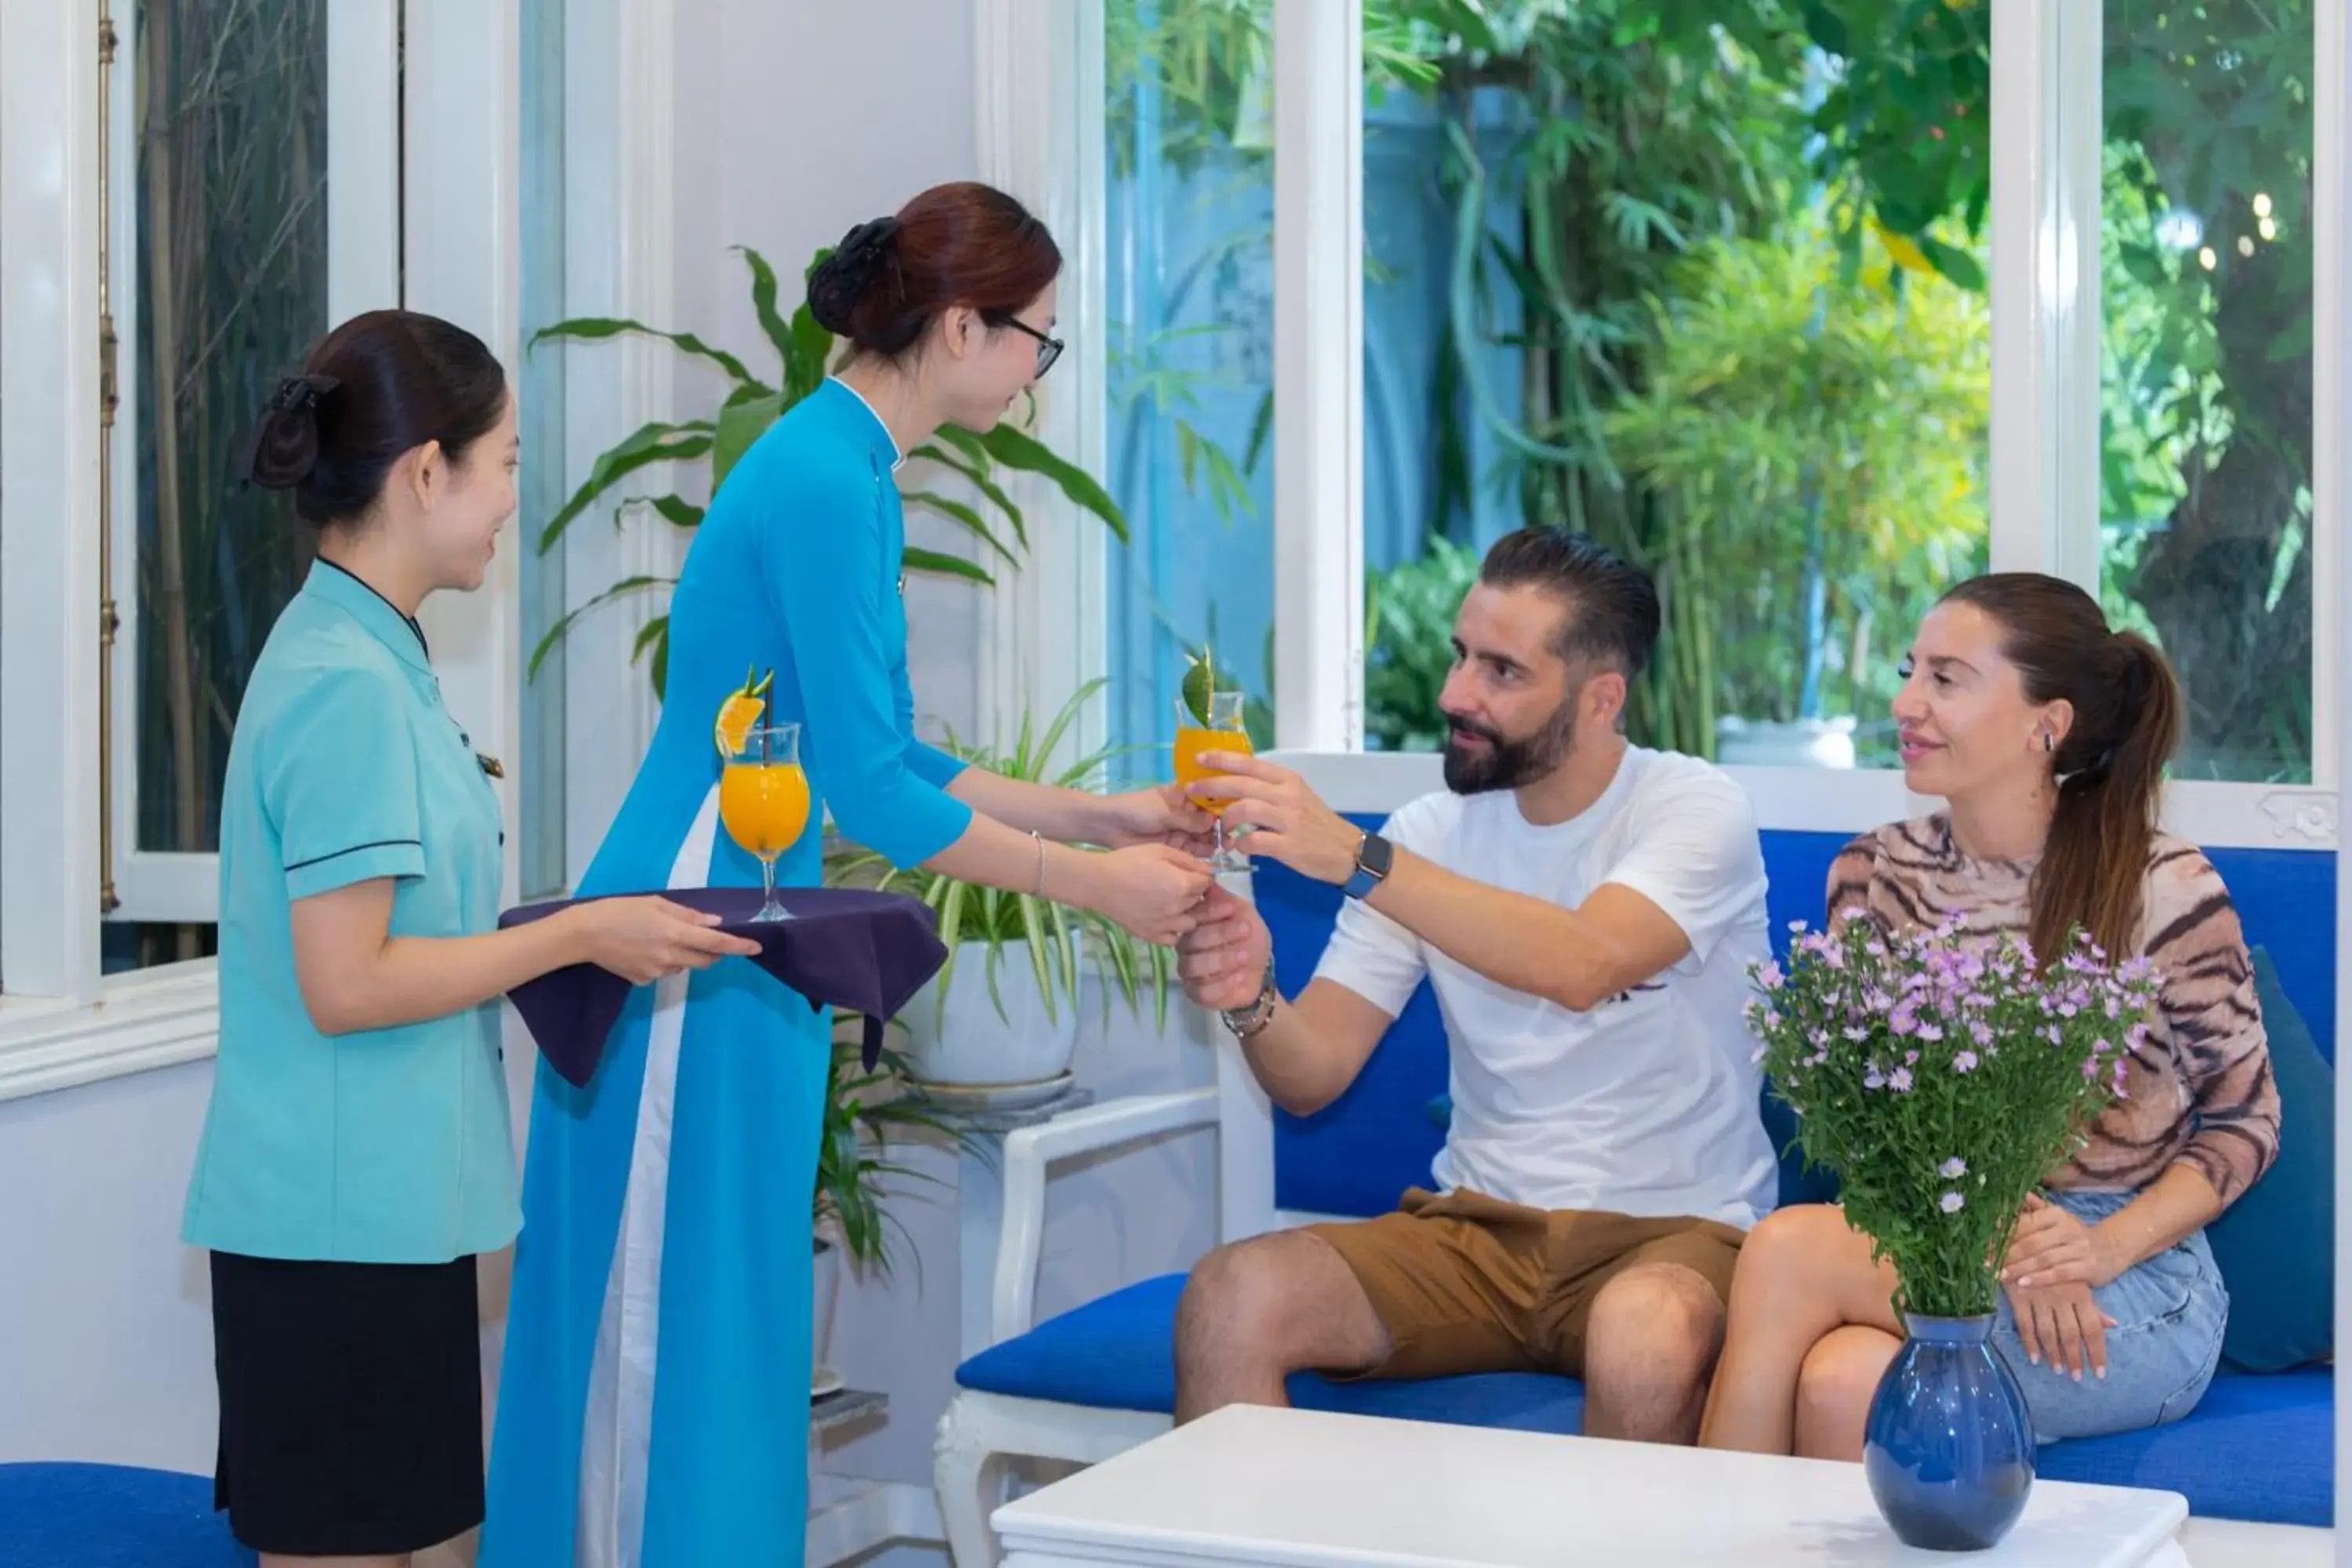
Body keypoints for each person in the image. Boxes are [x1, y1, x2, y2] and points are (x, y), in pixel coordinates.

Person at [483, 182, 1212, 1566]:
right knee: (671, 1301)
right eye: (1035, 341)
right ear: (958, 327)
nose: (1036, 372)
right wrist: (1093, 886)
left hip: (751, 896)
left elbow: (885, 753)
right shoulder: (827, 476)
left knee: (732, 1284)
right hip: (697, 905)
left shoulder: (850, 464)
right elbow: (875, 791)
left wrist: (1102, 816)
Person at [184, 310, 758, 1568]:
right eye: (502, 461)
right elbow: (348, 983)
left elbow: (402, 937)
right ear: (424, 471)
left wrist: (572, 930)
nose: (512, 496)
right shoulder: (344, 683)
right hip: (332, 1239)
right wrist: (576, 940)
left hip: (385, 1221)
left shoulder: (374, 656)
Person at [1169, 528, 1777, 1446]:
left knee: (1642, 1332)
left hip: (1675, 1237)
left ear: (1601, 698)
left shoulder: (1693, 808)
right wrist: (1250, 992)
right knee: (1231, 1292)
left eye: (1502, 671)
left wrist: (1358, 856)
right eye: (1462, 656)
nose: (1456, 694)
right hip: (1474, 1233)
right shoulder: (1430, 832)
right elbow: (1313, 1073)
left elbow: (1583, 962)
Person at [1699, 573, 2278, 1459]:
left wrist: (2092, 1247)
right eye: (1910, 670)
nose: (1906, 702)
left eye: (1947, 678)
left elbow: (2249, 1122)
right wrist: (1998, 1226)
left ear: (2046, 723)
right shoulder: (1875, 872)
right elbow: (1873, 1121)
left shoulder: (2165, 884)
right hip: (1948, 1235)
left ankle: (1696, 1541)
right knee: (1839, 1380)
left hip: (2131, 1282)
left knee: (1784, 1253)